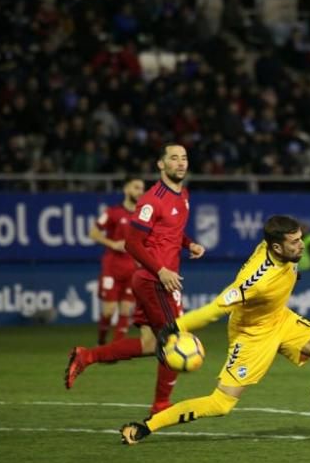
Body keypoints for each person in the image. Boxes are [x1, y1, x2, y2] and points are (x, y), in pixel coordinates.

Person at [118, 215, 310, 444]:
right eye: (295, 242)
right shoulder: (255, 281)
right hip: (252, 333)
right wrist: (175, 327)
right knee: (221, 404)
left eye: (301, 239)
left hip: (280, 319)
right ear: (277, 248)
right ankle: (148, 426)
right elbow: (217, 308)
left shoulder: (282, 251)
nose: (301, 246)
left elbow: (287, 263)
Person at [65, 145, 205, 415]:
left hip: (159, 279)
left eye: (184, 158)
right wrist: (161, 271)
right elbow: (132, 243)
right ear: (161, 165)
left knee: (149, 344)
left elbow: (171, 233)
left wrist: (189, 244)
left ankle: (87, 356)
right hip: (155, 280)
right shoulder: (152, 200)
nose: (180, 163)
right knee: (174, 340)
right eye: (173, 158)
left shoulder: (183, 194)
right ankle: (161, 405)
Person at [89, 176, 145, 344]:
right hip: (112, 266)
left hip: (132, 267)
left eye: (142, 189)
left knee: (126, 310)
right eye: (136, 187)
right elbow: (93, 233)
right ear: (126, 189)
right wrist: (112, 243)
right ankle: (101, 340)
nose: (140, 192)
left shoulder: (143, 216)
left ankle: (116, 349)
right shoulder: (112, 212)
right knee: (109, 310)